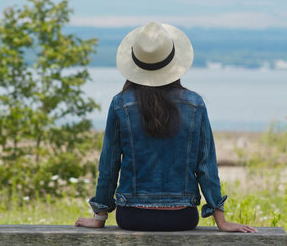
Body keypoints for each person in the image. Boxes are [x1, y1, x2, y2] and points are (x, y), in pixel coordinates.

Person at [75, 22, 257, 233]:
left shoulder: (120, 104)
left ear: (135, 66)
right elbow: (206, 167)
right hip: (182, 217)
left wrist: (99, 216)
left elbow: (109, 165)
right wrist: (221, 220)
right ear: (174, 64)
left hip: (132, 216)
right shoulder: (195, 104)